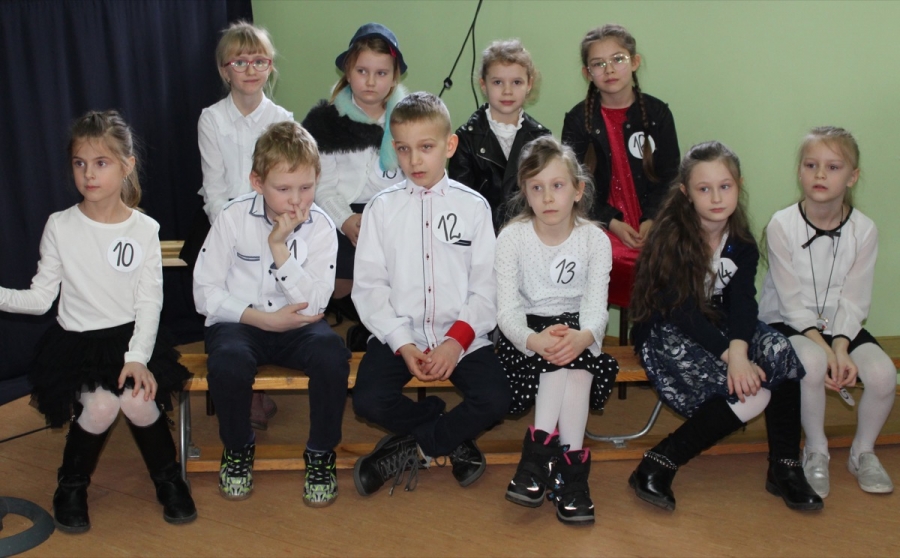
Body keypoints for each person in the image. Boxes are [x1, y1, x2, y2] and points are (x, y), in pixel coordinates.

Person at [0, 110, 195, 532]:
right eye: (80, 163)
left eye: (101, 162)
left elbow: (149, 303)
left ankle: (169, 480)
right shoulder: (60, 226)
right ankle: (71, 486)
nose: (89, 174)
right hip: (78, 344)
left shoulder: (144, 229)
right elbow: (40, 299)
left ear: (126, 166)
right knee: (103, 405)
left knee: (138, 402)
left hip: (130, 340)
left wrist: (138, 357)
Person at [627, 141, 822, 512]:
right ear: (686, 193)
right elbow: (680, 310)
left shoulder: (741, 241)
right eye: (704, 188)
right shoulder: (670, 236)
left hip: (719, 322)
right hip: (668, 328)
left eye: (725, 186)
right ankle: (659, 462)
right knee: (751, 393)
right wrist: (731, 355)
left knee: (780, 351)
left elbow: (743, 302)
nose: (716, 197)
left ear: (739, 185)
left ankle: (784, 467)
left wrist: (739, 347)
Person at [350, 92, 510, 496]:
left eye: (426, 147)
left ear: (449, 146)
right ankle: (447, 434)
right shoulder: (381, 209)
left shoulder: (474, 207)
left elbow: (487, 286)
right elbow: (369, 286)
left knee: (495, 399)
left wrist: (456, 343)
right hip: (400, 334)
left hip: (460, 335)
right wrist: (402, 344)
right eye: (403, 149)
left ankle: (415, 447)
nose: (414, 160)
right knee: (368, 400)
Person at [193, 121, 350, 506]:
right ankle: (237, 449)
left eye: (306, 187)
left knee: (332, 354)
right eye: (283, 189)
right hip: (242, 323)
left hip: (298, 325)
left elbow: (315, 305)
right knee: (228, 360)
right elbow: (204, 293)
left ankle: (321, 452)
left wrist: (279, 248)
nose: (296, 200)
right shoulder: (232, 217)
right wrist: (262, 319)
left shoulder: (321, 227)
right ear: (257, 182)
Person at [759, 126, 895, 497]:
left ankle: (862, 451)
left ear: (852, 177)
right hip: (785, 320)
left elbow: (855, 298)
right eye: (811, 165)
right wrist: (826, 351)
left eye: (833, 167)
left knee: (883, 375)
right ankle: (816, 450)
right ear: (799, 171)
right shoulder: (781, 224)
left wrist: (840, 346)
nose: (820, 174)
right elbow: (790, 301)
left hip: (840, 324)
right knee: (812, 363)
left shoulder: (864, 230)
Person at [495, 136, 618, 525]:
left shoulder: (595, 240)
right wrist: (534, 340)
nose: (548, 197)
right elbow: (507, 310)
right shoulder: (512, 237)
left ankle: (538, 462)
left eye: (558, 185)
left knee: (574, 362)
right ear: (525, 192)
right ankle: (568, 473)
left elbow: (596, 309)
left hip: (577, 332)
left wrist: (584, 336)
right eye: (536, 188)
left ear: (578, 190)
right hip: (525, 336)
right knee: (561, 362)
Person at [194, 20, 293, 429]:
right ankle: (241, 381)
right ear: (225, 70)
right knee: (233, 289)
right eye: (240, 62)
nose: (250, 70)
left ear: (270, 67)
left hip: (273, 225)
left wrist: (269, 230)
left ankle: (257, 381)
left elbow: (288, 181)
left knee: (270, 288)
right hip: (225, 226)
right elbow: (214, 189)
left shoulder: (282, 118)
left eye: (259, 61)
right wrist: (235, 232)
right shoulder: (211, 119)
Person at [301, 23, 408, 349]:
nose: (371, 81)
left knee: (400, 267)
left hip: (391, 214)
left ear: (394, 77)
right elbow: (321, 186)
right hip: (339, 213)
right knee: (335, 273)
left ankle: (380, 330)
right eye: (362, 71)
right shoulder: (325, 121)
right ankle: (335, 329)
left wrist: (387, 221)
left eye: (381, 73)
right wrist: (345, 219)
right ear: (348, 71)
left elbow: (414, 180)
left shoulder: (407, 120)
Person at [561, 23, 680, 312]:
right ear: (587, 73)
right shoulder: (578, 120)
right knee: (600, 257)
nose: (609, 70)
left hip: (652, 222)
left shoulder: (658, 114)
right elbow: (573, 185)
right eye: (598, 64)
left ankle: (654, 331)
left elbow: (670, 178)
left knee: (672, 258)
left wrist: (651, 220)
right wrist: (611, 222)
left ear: (635, 62)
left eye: (618, 59)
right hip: (600, 224)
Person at [448, 39, 551, 231]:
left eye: (516, 82)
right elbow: (459, 200)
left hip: (528, 236)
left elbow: (547, 196)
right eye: (497, 82)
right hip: (480, 236)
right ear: (483, 85)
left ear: (529, 84)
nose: (507, 91)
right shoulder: (466, 140)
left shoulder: (542, 140)